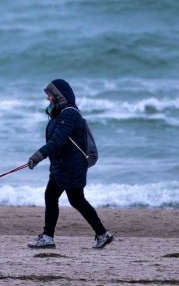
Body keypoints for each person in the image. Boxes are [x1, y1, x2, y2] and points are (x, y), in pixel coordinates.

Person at [26, 79, 114, 249]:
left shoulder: (69, 113)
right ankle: (49, 236)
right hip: (62, 165)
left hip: (71, 165)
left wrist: (37, 156)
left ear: (58, 95)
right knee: (54, 196)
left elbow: (57, 141)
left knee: (75, 199)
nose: (48, 99)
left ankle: (101, 233)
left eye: (49, 95)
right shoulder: (59, 113)